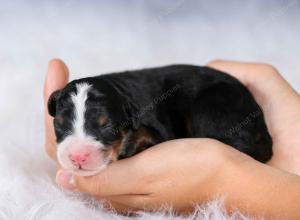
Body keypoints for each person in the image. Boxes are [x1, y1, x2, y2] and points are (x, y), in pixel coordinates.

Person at [44, 59, 300, 219]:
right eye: (63, 125)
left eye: (104, 127)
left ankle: (239, 149)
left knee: (210, 105)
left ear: (130, 118)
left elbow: (151, 133)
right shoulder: (117, 104)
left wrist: (223, 179)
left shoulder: (134, 112)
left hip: (214, 95)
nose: (77, 152)